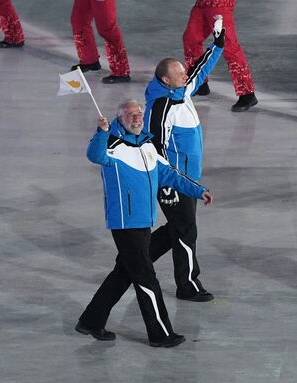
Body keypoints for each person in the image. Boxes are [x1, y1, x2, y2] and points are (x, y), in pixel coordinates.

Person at [76, 98, 210, 347]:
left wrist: (196, 190)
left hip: (144, 221)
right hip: (125, 224)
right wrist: (101, 132)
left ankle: (91, 320)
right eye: (130, 116)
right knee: (146, 278)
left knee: (123, 273)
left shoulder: (148, 145)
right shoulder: (110, 145)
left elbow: (169, 173)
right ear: (119, 119)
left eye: (139, 114)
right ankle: (160, 334)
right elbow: (94, 155)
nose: (136, 119)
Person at [145, 43, 224, 302]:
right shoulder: (161, 106)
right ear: (166, 80)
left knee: (179, 228)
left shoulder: (181, 91)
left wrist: (217, 45)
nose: (185, 76)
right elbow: (156, 147)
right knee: (186, 229)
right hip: (174, 180)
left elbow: (199, 71)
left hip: (188, 179)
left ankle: (135, 259)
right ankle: (187, 284)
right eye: (179, 74)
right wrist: (167, 182)